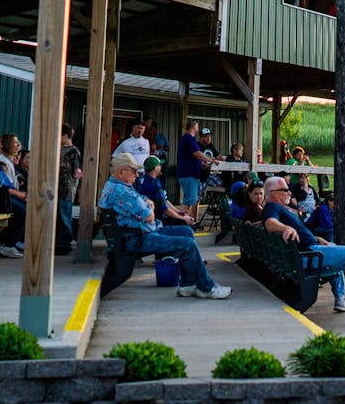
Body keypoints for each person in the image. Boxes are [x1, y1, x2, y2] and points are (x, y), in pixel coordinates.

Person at [260, 177, 345, 318]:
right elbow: (270, 223)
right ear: (274, 193)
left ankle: (341, 298)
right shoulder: (272, 207)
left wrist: (316, 238)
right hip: (308, 255)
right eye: (285, 190)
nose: (289, 192)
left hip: (306, 251)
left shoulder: (280, 208)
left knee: (333, 246)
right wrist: (285, 228)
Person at [98, 153, 230, 299]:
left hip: (135, 234)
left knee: (186, 231)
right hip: (137, 238)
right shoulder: (121, 191)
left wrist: (147, 204)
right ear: (122, 171)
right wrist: (149, 205)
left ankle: (188, 284)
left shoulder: (114, 186)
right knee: (187, 245)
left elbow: (144, 201)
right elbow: (149, 216)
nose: (137, 174)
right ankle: (207, 287)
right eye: (134, 171)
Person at [175, 120, 213, 221]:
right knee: (191, 200)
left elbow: (192, 157)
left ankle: (184, 221)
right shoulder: (189, 138)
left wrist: (202, 164)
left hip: (188, 174)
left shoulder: (187, 139)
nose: (198, 128)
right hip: (189, 175)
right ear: (193, 127)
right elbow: (197, 153)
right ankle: (182, 220)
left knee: (188, 200)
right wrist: (210, 160)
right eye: (197, 126)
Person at [56, 124, 84, 255]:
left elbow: (77, 167)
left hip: (66, 189)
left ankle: (64, 243)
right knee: (58, 216)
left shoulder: (73, 151)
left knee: (64, 215)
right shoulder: (59, 149)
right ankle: (58, 242)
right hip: (57, 188)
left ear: (65, 135)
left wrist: (78, 171)